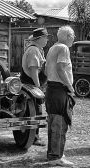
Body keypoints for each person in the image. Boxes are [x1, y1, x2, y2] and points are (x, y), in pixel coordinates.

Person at [45, 25, 76, 167]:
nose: (74, 39)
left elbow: (46, 71)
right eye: (73, 36)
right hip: (59, 90)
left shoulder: (52, 47)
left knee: (53, 123)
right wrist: (69, 86)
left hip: (51, 88)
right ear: (68, 37)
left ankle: (53, 154)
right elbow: (60, 68)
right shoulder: (63, 48)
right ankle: (56, 157)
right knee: (60, 123)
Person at [20, 28, 49, 146]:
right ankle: (34, 138)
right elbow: (33, 70)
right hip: (31, 84)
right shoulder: (33, 50)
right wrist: (38, 87)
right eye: (45, 37)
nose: (47, 39)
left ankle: (34, 137)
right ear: (39, 39)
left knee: (36, 110)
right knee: (36, 111)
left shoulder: (37, 49)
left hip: (31, 84)